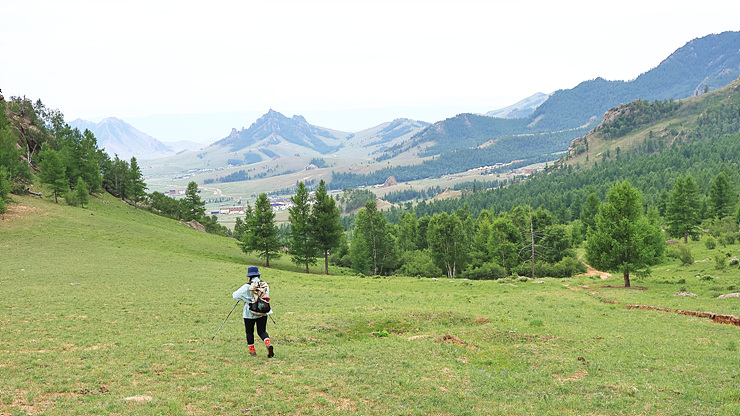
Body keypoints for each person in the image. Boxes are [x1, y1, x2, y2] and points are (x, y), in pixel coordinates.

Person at [232, 266, 274, 357]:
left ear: (249, 276)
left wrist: (245, 299)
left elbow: (235, 296)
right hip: (263, 310)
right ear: (258, 275)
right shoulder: (265, 284)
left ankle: (252, 352)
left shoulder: (247, 286)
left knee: (249, 332)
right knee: (262, 331)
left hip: (249, 313)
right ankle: (268, 343)